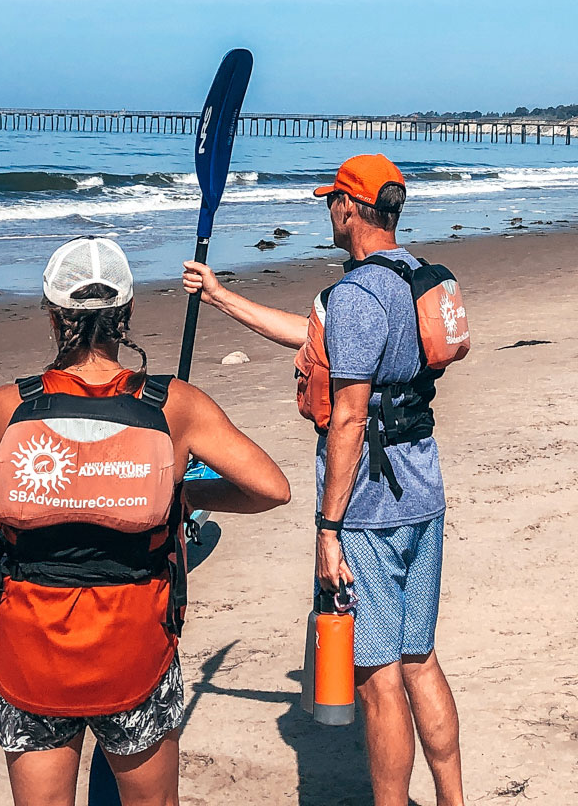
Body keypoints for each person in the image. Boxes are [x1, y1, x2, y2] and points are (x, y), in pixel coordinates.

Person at [0, 236, 290, 806]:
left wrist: (10, 494)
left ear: (53, 314)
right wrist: (177, 497)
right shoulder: (173, 406)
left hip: (28, 651)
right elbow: (269, 489)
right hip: (135, 648)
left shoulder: (4, 408)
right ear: (127, 314)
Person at [183, 154, 466, 806]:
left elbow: (348, 415)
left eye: (331, 200)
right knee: (420, 658)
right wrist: (223, 296)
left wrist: (329, 528)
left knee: (377, 677)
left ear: (349, 208)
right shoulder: (409, 274)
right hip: (422, 487)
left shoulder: (359, 296)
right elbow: (318, 340)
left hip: (368, 503)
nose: (327, 211)